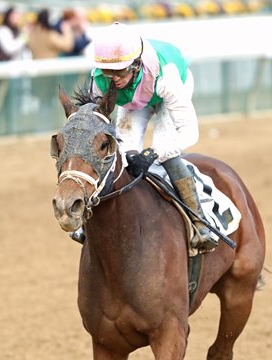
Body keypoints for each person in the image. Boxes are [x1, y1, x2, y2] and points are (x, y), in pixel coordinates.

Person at [80, 22, 217, 251]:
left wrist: (153, 153)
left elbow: (189, 133)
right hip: (135, 100)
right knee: (120, 154)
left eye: (120, 71)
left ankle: (200, 223)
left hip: (165, 93)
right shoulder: (101, 79)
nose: (113, 79)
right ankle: (89, 221)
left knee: (166, 155)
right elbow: (94, 124)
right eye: (108, 72)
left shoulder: (167, 77)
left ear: (136, 64)